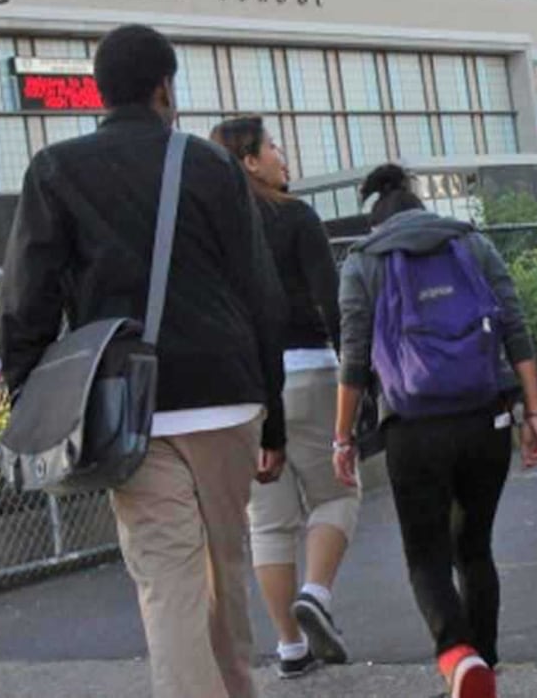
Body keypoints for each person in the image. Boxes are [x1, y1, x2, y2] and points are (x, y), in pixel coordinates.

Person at [0, 25, 286, 698]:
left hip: (130, 406)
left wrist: (32, 398)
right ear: (165, 87)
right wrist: (270, 416)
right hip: (227, 395)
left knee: (168, 582)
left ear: (100, 91)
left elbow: (25, 301)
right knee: (225, 570)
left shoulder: (57, 170)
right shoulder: (211, 165)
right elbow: (260, 295)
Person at [333, 164, 537, 698]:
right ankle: (485, 668)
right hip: (486, 416)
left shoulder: (363, 261)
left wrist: (343, 439)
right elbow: (514, 326)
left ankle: (458, 655)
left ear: (375, 217)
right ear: (419, 203)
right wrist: (534, 412)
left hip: (412, 428)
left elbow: (354, 360)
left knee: (426, 556)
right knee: (473, 547)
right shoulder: (471, 244)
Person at [211, 116, 358, 679]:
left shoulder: (216, 230)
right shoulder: (296, 216)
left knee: (268, 523)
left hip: (246, 389)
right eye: (272, 146)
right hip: (308, 372)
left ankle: (290, 648)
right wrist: (357, 377)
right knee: (337, 494)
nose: (281, 154)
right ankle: (316, 594)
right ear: (249, 160)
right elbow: (332, 301)